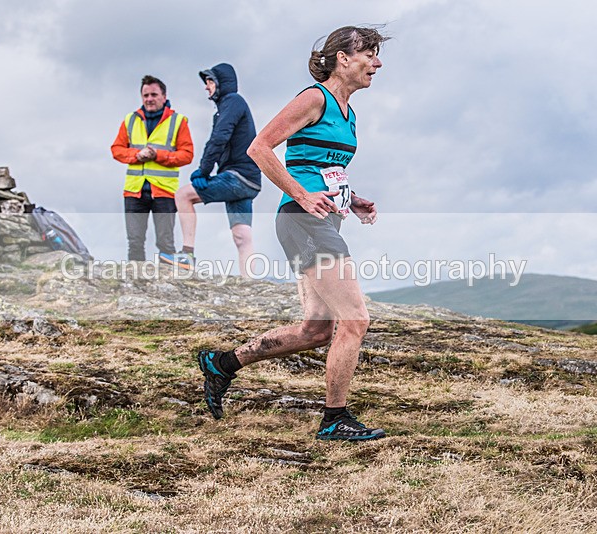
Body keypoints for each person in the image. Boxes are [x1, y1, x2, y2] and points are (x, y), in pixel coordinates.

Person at [196, 26, 389, 441]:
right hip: (302, 221)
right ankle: (334, 420)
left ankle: (222, 363)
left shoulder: (348, 112)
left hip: (322, 219)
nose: (377, 63)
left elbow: (318, 167)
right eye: (369, 54)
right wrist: (301, 195)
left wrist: (350, 198)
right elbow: (260, 147)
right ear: (343, 58)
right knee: (355, 319)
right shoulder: (314, 97)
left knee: (316, 331)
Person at [174, 63, 261, 276]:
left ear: (222, 82)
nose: (206, 87)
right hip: (250, 181)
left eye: (210, 81)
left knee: (183, 195)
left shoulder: (232, 102)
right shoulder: (232, 105)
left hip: (237, 177)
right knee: (241, 235)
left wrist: (203, 171)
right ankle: (249, 283)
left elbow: (219, 138)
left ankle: (187, 256)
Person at [111, 75, 194, 265]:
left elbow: (187, 155)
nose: (149, 99)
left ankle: (169, 287)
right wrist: (136, 155)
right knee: (134, 242)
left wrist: (158, 155)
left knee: (165, 244)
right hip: (134, 191)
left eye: (154, 94)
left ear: (164, 97)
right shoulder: (130, 120)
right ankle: (135, 283)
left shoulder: (178, 121)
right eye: (145, 95)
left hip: (163, 191)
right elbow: (116, 150)